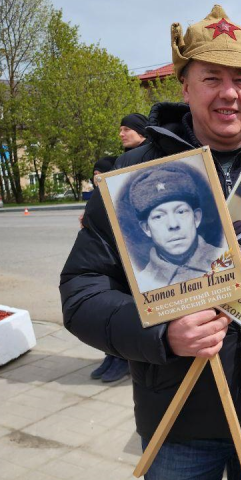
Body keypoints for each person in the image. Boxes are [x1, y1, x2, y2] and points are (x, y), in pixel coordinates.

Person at [60, 5, 241, 480]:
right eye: (211, 78)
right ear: (184, 86)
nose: (228, 94)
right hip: (178, 419)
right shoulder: (132, 178)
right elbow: (82, 291)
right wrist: (162, 334)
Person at [129, 165, 227, 292]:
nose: (173, 224)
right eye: (159, 216)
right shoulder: (141, 284)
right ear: (146, 228)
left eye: (181, 212)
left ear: (196, 218)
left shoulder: (228, 260)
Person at [87, 155, 131, 383]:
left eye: (127, 129)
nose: (96, 178)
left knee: (125, 306)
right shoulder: (98, 197)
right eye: (94, 175)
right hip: (107, 259)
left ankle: (123, 359)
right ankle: (112, 356)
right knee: (109, 303)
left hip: (126, 260)